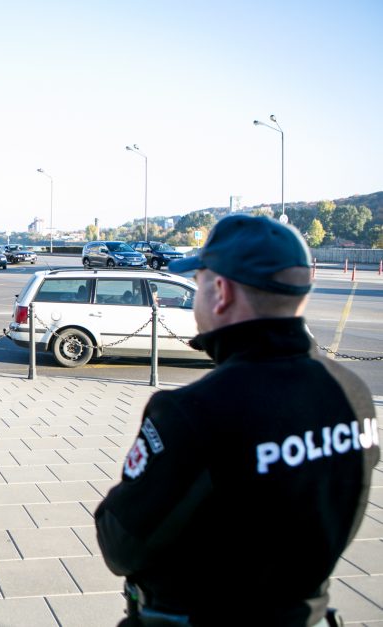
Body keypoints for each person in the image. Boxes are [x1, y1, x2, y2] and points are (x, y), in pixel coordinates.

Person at [95, 214, 379, 627]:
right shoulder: (352, 393)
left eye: (198, 282)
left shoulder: (195, 412)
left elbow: (120, 543)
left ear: (221, 291)